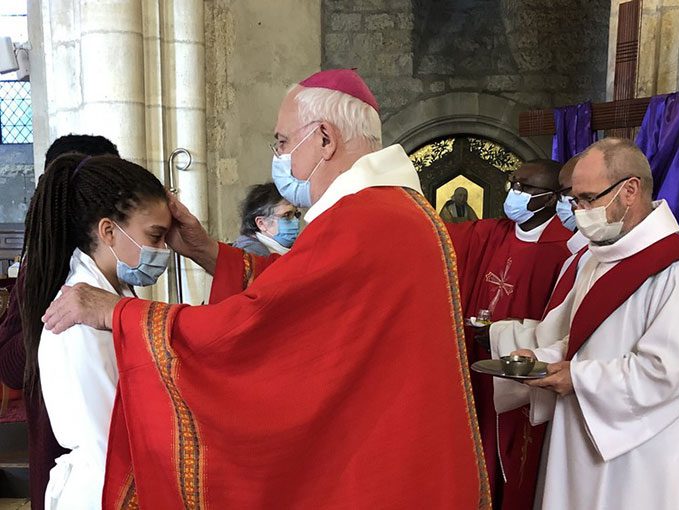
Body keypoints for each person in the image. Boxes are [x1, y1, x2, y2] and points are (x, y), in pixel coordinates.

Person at [42, 69, 491, 509]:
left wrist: (117, 314)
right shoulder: (388, 210)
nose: (277, 157)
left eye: (281, 141)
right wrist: (207, 252)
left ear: (324, 139)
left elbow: (261, 326)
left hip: (382, 463)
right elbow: (300, 294)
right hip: (404, 450)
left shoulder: (362, 221)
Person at [517, 138, 679, 510]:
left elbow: (674, 371)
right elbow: (582, 341)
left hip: (639, 456)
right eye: (575, 200)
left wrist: (578, 377)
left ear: (629, 190)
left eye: (588, 198)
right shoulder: (598, 258)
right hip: (579, 435)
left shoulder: (678, 271)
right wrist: (542, 358)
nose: (579, 211)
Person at [21, 154, 171, 509]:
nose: (163, 250)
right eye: (156, 236)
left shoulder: (112, 299)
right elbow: (111, 438)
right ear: (108, 231)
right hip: (105, 488)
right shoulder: (79, 317)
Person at [0, 134, 119, 510]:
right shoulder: (44, 273)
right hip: (63, 446)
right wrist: (52, 314)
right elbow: (7, 365)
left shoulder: (109, 264)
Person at [445, 159, 572, 508]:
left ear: (549, 198)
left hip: (520, 380)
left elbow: (563, 327)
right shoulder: (490, 234)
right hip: (473, 367)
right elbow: (436, 237)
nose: (513, 193)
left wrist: (503, 338)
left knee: (517, 459)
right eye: (512, 184)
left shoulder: (566, 249)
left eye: (525, 187)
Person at [232, 183, 300, 256]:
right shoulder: (251, 257)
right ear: (261, 223)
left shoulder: (290, 249)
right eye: (286, 215)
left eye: (296, 215)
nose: (295, 221)